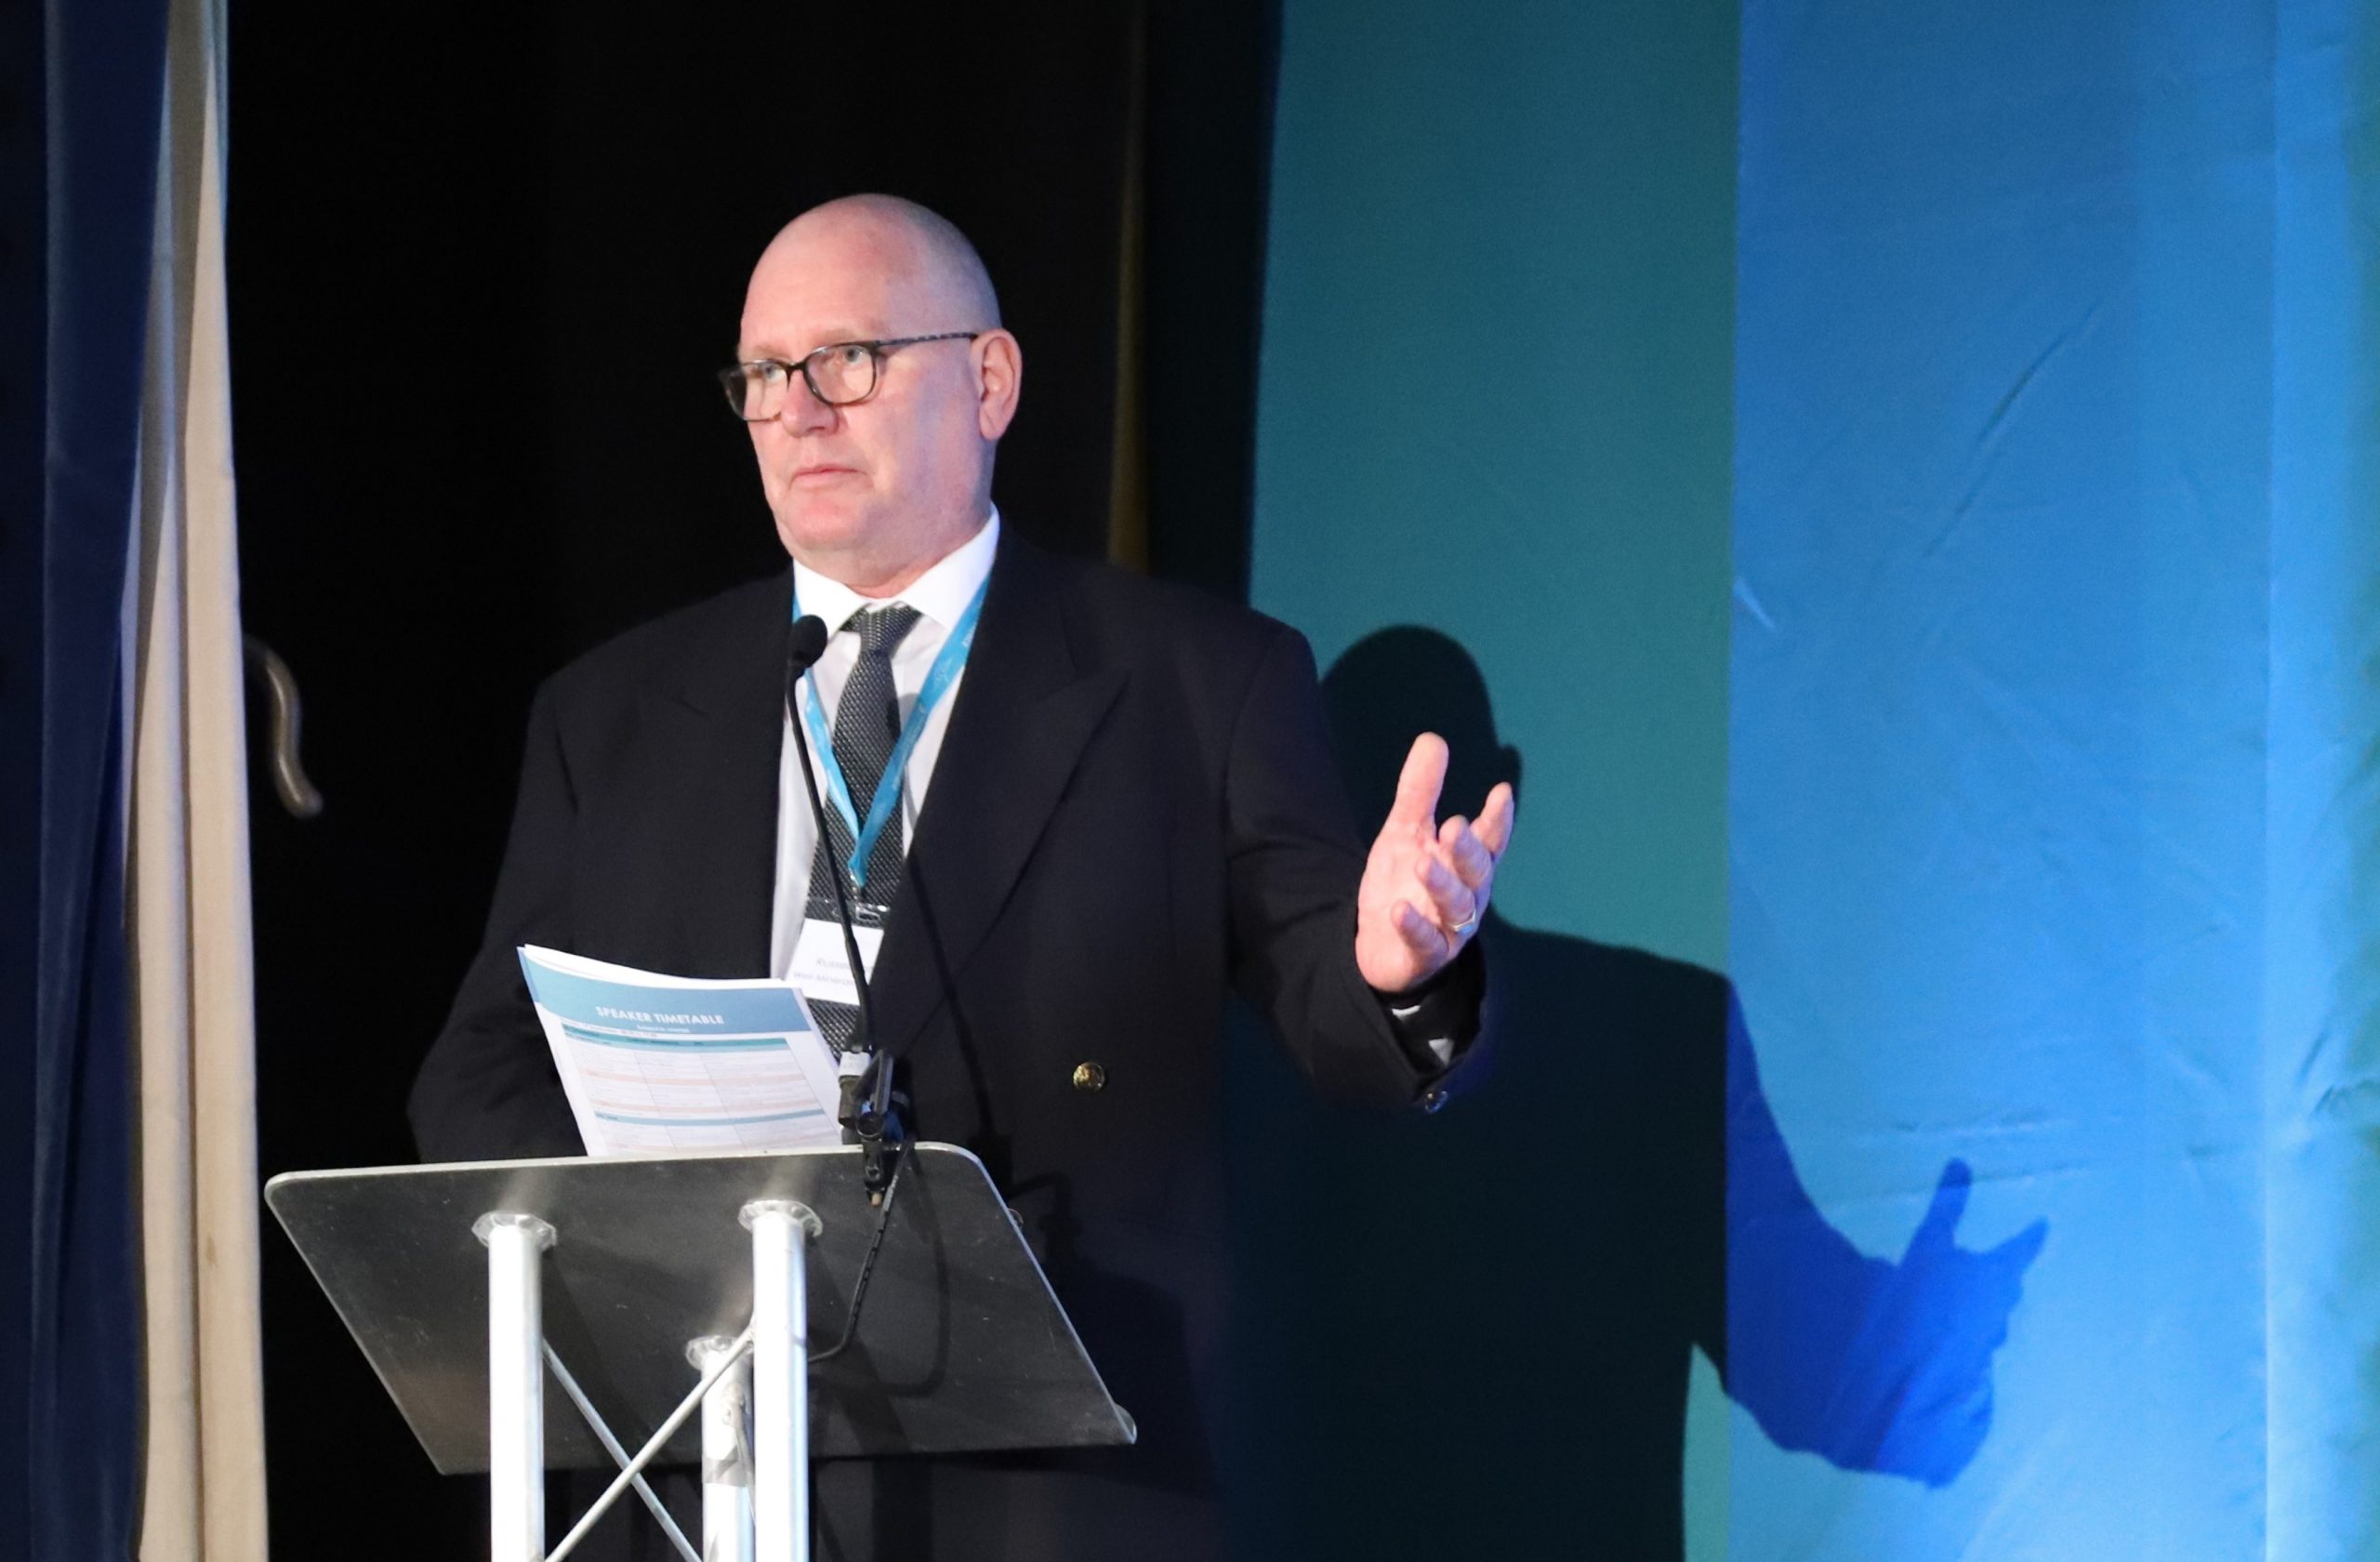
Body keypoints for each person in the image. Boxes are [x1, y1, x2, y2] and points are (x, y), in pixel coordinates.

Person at [407, 193, 1515, 1560]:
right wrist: (652, 1247)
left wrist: (1401, 974)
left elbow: (1328, 1008)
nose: (799, 412)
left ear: (989, 381)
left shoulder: (1196, 685)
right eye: (764, 375)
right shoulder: (613, 713)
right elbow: (481, 1076)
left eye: (849, 360)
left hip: (1039, 1476)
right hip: (687, 1468)